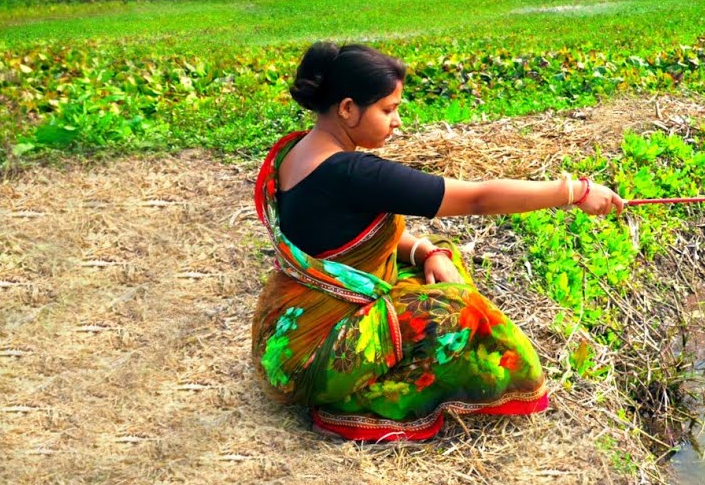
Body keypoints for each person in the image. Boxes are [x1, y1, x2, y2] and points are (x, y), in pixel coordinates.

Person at [251, 42, 625, 442]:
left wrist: (425, 250)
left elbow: (344, 234)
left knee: (438, 253)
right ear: (346, 109)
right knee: (458, 309)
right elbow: (479, 197)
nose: (397, 121)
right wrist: (576, 192)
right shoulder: (353, 173)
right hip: (308, 363)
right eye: (387, 109)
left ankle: (376, 347)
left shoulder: (296, 151)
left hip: (281, 339)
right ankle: (358, 402)